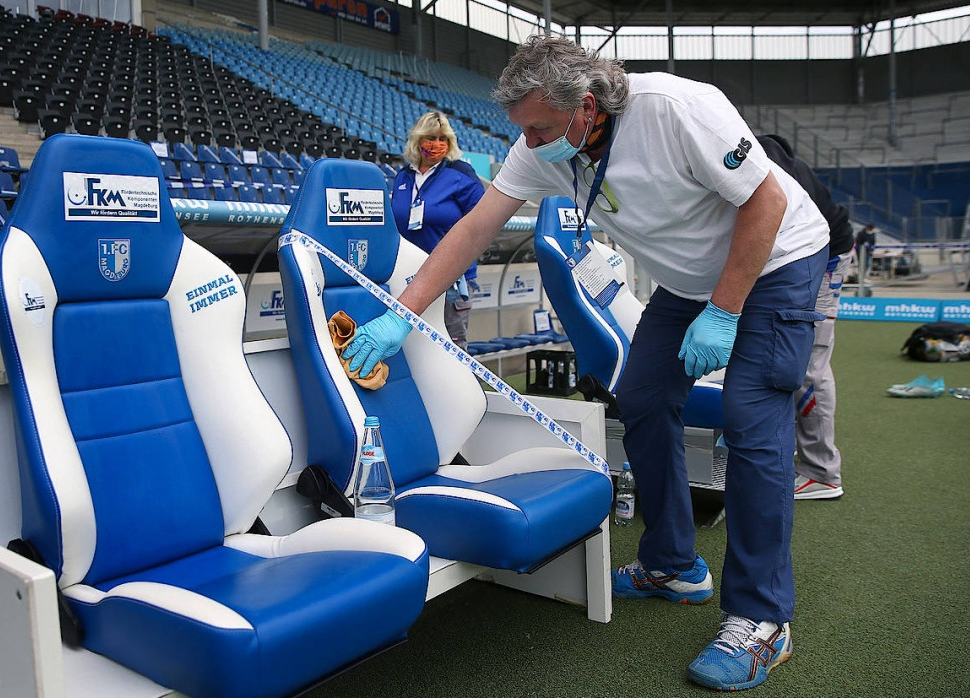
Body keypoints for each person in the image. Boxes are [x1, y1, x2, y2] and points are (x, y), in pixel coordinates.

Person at [342, 36, 829, 692]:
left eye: (540, 128)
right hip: (690, 282)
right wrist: (401, 313)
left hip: (775, 260)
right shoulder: (545, 141)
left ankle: (763, 619)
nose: (530, 143)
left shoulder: (677, 108)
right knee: (645, 396)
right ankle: (672, 565)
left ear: (587, 107)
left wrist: (726, 309)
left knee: (751, 414)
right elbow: (474, 229)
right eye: (523, 130)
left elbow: (765, 203)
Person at [757, 135, 854, 501]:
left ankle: (822, 473)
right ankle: (802, 451)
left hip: (827, 254)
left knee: (809, 361)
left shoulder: (761, 166)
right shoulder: (749, 152)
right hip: (812, 247)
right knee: (783, 348)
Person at [391, 112, 485, 349]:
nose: (437, 144)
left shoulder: (460, 174)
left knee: (451, 349)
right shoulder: (403, 176)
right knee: (411, 347)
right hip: (406, 277)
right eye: (431, 137)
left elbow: (482, 220)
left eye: (443, 138)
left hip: (450, 278)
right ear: (418, 140)